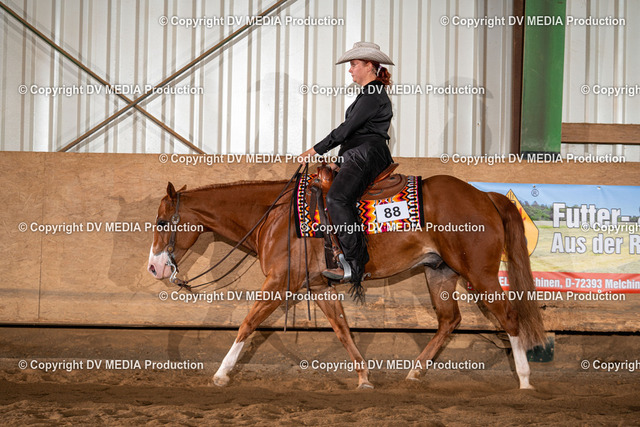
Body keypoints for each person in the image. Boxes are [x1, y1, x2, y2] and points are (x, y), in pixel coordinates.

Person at [299, 41, 394, 289]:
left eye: (354, 64)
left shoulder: (372, 95)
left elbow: (346, 130)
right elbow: (354, 135)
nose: (350, 69)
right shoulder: (368, 95)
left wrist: (315, 150)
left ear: (369, 65)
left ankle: (354, 263)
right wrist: (338, 160)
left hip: (367, 154)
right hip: (360, 153)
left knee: (337, 199)